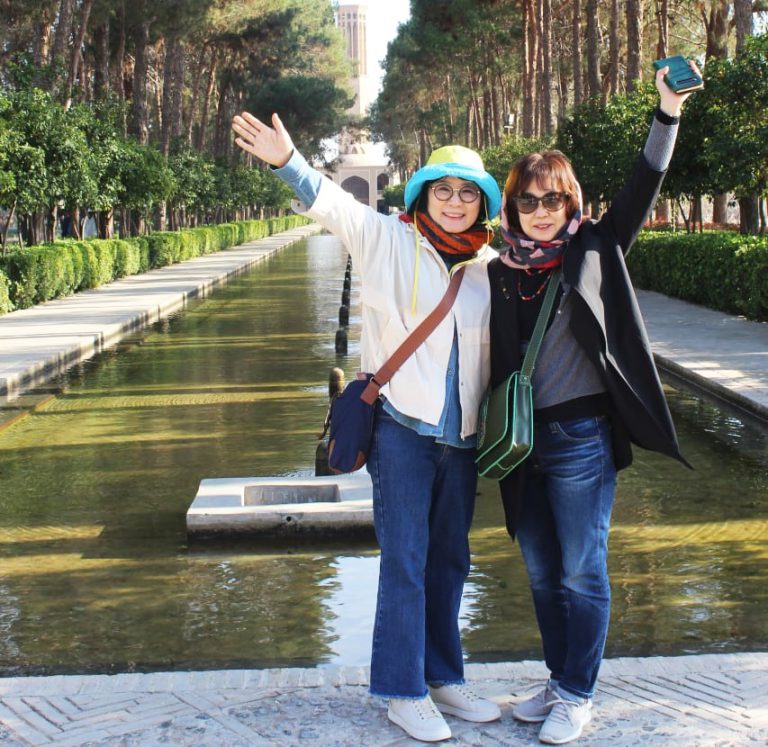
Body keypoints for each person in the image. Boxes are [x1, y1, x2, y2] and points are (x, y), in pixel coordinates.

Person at [232, 112, 503, 742]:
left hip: (461, 436)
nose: (455, 201)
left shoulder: (490, 265)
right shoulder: (385, 238)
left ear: (482, 202)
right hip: (402, 432)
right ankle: (403, 691)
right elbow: (332, 206)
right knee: (406, 561)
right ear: (424, 194)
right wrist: (287, 161)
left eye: (468, 192)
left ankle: (443, 677)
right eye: (443, 189)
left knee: (451, 561)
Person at [488, 63, 698, 745]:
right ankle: (558, 677)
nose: (542, 211)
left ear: (569, 200)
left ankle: (579, 693)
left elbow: (643, 186)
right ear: (514, 207)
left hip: (580, 436)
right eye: (529, 201)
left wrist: (666, 112)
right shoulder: (498, 271)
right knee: (542, 569)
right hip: (521, 443)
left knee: (582, 566)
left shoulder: (595, 248)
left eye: (552, 199)